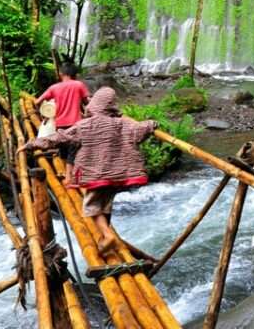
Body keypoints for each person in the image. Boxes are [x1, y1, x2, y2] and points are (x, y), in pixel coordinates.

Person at [20, 87, 156, 255]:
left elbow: (59, 138)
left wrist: (32, 144)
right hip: (119, 174)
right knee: (105, 204)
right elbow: (141, 129)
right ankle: (104, 236)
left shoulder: (84, 125)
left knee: (91, 205)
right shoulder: (124, 124)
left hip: (96, 174)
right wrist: (151, 124)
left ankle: (107, 235)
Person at [36, 62, 90, 185]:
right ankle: (71, 178)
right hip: (75, 124)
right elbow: (88, 102)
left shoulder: (54, 88)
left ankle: (68, 176)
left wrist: (45, 114)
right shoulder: (79, 85)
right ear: (74, 74)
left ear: (61, 74)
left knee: (65, 151)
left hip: (60, 125)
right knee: (74, 151)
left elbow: (38, 101)